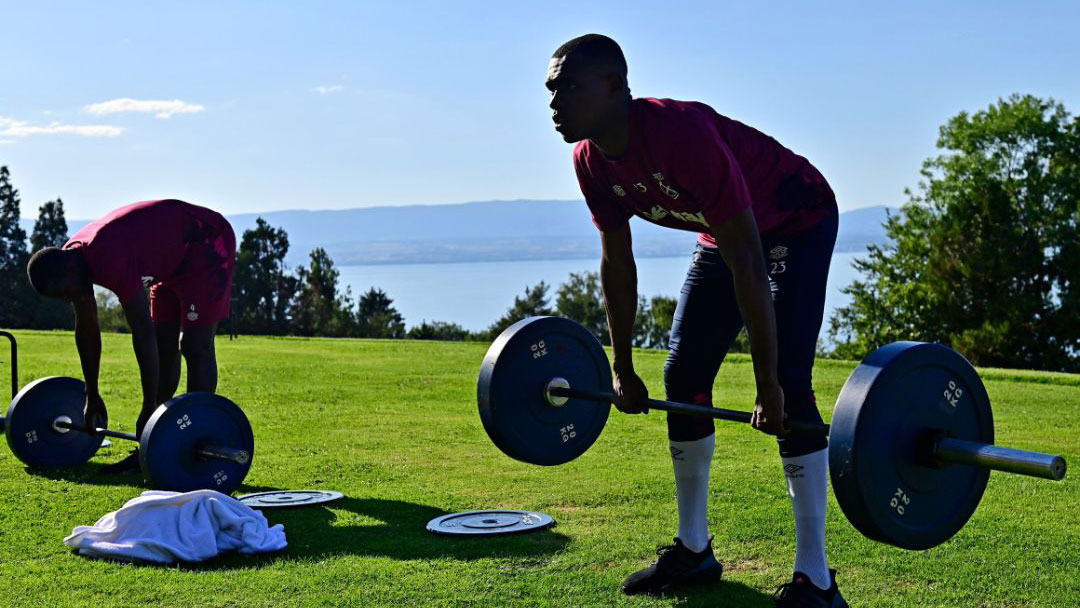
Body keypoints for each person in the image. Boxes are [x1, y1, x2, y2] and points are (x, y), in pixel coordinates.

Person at [547, 34, 846, 607]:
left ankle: (818, 581)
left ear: (615, 87)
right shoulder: (589, 160)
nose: (555, 100)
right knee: (683, 374)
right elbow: (618, 264)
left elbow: (751, 266)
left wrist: (768, 388)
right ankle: (694, 551)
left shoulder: (680, 135)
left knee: (790, 384)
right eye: (551, 89)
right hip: (725, 230)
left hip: (795, 217)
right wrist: (622, 369)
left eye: (568, 86)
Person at [26, 199, 236, 475]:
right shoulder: (71, 262)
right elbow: (87, 330)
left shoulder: (108, 256)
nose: (68, 299)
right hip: (169, 262)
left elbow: (142, 330)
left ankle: (196, 435)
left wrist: (148, 406)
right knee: (164, 348)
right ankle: (154, 443)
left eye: (65, 292)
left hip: (206, 242)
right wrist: (92, 394)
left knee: (194, 345)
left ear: (71, 271)